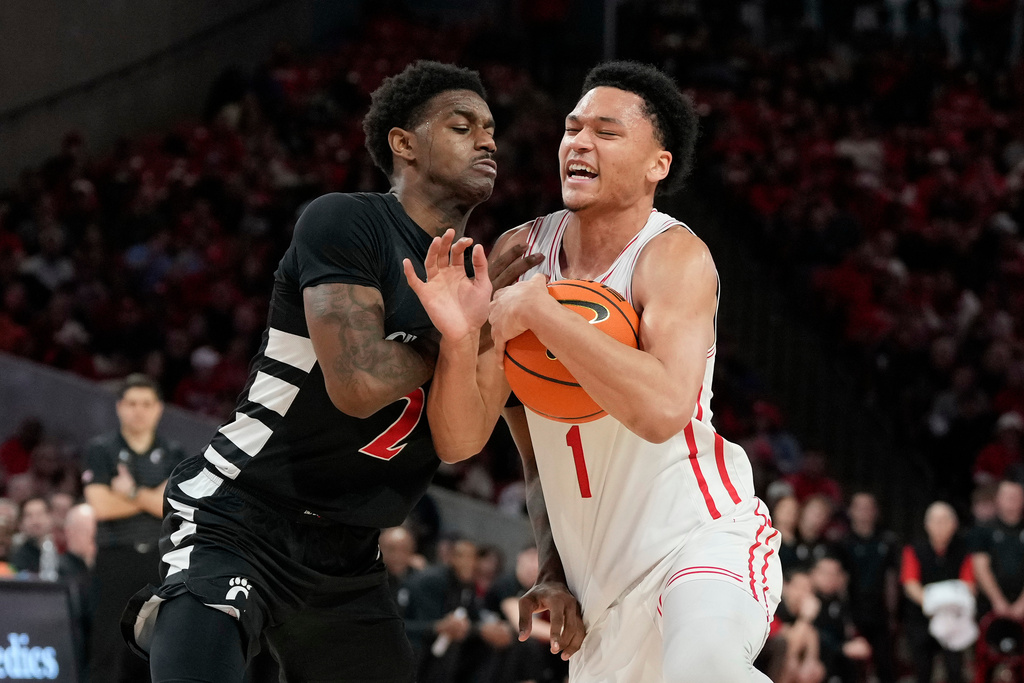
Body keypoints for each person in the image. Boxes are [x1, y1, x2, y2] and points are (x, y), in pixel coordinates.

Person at [120, 60, 540, 683]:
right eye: (462, 126)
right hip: (244, 512)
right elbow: (358, 385)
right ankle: (178, 613)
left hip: (351, 551)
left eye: (491, 130)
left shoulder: (482, 279)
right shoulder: (347, 221)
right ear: (404, 143)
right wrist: (452, 334)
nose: (487, 142)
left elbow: (458, 443)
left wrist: (472, 334)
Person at [406, 60, 781, 681]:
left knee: (706, 666)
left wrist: (542, 314)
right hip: (599, 593)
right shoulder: (521, 251)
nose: (579, 143)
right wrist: (459, 338)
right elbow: (464, 440)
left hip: (702, 538)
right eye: (572, 128)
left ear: (658, 164)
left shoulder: (672, 255)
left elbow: (662, 412)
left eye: (606, 132)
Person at [82, 373, 187, 683]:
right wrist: (150, 497)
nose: (138, 411)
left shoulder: (174, 452)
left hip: (160, 560)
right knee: (107, 648)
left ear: (159, 408)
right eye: (131, 404)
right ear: (119, 407)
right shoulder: (101, 449)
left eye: (146, 404)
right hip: (115, 557)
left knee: (159, 647)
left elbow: (170, 505)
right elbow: (101, 506)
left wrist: (128, 491)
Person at [900, 501, 974, 683]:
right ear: (927, 525)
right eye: (935, 521)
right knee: (923, 670)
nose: (940, 526)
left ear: (954, 524)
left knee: (955, 670)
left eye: (945, 521)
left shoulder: (964, 550)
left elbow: (968, 585)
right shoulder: (914, 549)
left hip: (953, 619)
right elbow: (910, 584)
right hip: (922, 618)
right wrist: (935, 603)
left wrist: (945, 605)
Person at [971, 479, 1024, 619]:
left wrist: (1022, 603)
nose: (1012, 500)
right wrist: (998, 601)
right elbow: (980, 567)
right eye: (1008, 496)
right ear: (998, 499)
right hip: (990, 605)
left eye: (1016, 496)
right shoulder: (983, 530)